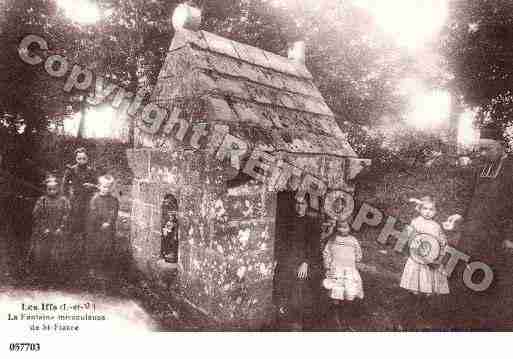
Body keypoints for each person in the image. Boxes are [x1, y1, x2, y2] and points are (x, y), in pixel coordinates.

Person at [273, 196, 321, 330]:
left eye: (303, 203)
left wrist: (306, 262)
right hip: (287, 259)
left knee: (298, 287)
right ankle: (282, 319)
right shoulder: (288, 222)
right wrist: (277, 259)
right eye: (297, 203)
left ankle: (296, 321)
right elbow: (281, 241)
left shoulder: (312, 223)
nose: (300, 206)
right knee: (281, 283)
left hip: (302, 261)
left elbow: (314, 246)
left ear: (307, 206)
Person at [400, 196, 449, 296]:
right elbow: (408, 234)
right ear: (420, 209)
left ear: (435, 211)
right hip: (417, 251)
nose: (427, 212)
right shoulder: (416, 222)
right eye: (425, 209)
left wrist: (440, 249)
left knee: (428, 272)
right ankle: (414, 288)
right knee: (415, 269)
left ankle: (427, 289)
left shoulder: (436, 226)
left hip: (430, 253)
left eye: (431, 210)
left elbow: (441, 239)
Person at [322, 221, 364, 327]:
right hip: (336, 269)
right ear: (337, 228)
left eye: (345, 227)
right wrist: (327, 267)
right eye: (340, 227)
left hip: (349, 270)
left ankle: (346, 319)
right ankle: (335, 320)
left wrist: (355, 259)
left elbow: (359, 254)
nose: (343, 230)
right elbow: (326, 253)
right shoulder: (332, 240)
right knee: (336, 294)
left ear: (349, 228)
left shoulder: (353, 240)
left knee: (349, 293)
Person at [28, 175, 71, 278]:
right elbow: (37, 215)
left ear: (58, 188)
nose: (52, 191)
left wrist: (61, 228)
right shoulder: (42, 200)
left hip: (58, 231)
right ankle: (40, 276)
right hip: (43, 232)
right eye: (49, 189)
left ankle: (56, 277)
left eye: (54, 189)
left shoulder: (64, 200)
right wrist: (44, 228)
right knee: (40, 253)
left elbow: (67, 214)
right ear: (46, 189)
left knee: (57, 254)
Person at [85, 174, 119, 278]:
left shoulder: (113, 200)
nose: (106, 189)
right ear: (99, 186)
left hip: (108, 229)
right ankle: (93, 268)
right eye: (104, 186)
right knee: (95, 247)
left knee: (107, 248)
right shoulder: (95, 199)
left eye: (109, 187)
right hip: (96, 229)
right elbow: (93, 212)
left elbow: (114, 212)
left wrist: (109, 222)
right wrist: (100, 223)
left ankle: (105, 269)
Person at [62, 148, 97, 236]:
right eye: (79, 159)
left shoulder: (91, 170)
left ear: (87, 159)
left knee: (86, 214)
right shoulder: (71, 170)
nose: (81, 161)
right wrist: (65, 196)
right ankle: (71, 233)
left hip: (87, 197)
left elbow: (96, 184)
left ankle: (85, 233)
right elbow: (64, 185)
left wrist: (91, 185)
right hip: (75, 196)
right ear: (76, 159)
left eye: (84, 159)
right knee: (74, 213)